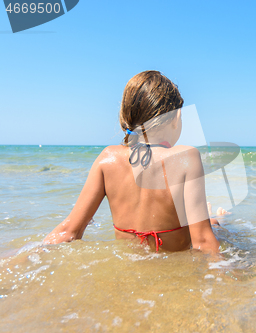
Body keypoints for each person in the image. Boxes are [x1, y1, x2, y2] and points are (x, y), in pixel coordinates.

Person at [44, 70, 220, 254]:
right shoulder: (186, 157)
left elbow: (68, 232)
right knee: (215, 225)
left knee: (211, 222)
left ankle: (213, 218)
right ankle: (216, 219)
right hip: (170, 276)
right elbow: (203, 242)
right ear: (175, 119)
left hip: (126, 278)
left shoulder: (107, 159)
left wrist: (22, 256)